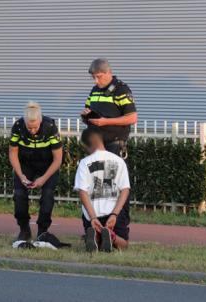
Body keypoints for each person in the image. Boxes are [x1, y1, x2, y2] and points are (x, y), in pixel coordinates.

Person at [9, 102, 63, 242]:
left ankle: (42, 231)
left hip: (48, 164)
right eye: (29, 127)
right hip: (26, 163)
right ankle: (24, 229)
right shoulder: (18, 127)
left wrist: (43, 179)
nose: (32, 131)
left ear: (40, 120)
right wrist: (21, 175)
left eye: (35, 127)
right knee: (19, 194)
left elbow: (58, 159)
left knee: (47, 195)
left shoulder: (50, 127)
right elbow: (13, 153)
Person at [74, 128, 130, 252]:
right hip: (113, 211)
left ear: (86, 145)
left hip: (92, 213)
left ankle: (96, 236)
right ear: (102, 141)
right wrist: (115, 214)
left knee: (97, 241)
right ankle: (111, 236)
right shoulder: (119, 161)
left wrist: (93, 217)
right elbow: (125, 190)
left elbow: (82, 192)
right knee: (124, 244)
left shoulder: (84, 163)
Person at [81, 58, 138, 158]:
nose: (96, 81)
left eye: (99, 77)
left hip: (113, 146)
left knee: (114, 174)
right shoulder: (95, 90)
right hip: (95, 145)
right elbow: (87, 111)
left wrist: (106, 121)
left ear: (108, 72)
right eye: (93, 77)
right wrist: (85, 115)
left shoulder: (121, 89)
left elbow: (132, 118)